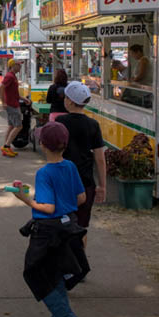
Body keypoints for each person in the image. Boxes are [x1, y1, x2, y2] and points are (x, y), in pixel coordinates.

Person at [11, 120, 88, 317]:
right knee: (56, 277)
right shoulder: (70, 167)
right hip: (69, 227)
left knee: (36, 275)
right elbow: (81, 198)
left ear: (43, 144)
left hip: (47, 232)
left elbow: (47, 207)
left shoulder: (44, 172)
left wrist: (25, 199)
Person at [56, 81, 106, 246]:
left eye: (65, 97)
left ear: (70, 101)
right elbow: (100, 158)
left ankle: (62, 263)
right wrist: (102, 186)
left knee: (60, 223)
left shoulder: (60, 122)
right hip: (85, 183)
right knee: (81, 226)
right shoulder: (93, 125)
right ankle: (79, 263)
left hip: (62, 182)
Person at [0, 61, 24, 157]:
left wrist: (23, 99)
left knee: (11, 126)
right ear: (12, 66)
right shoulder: (9, 76)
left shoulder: (13, 76)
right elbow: (1, 88)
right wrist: (3, 102)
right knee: (18, 126)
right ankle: (6, 146)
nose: (20, 67)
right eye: (18, 65)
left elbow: (14, 92)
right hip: (12, 105)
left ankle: (6, 147)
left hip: (13, 103)